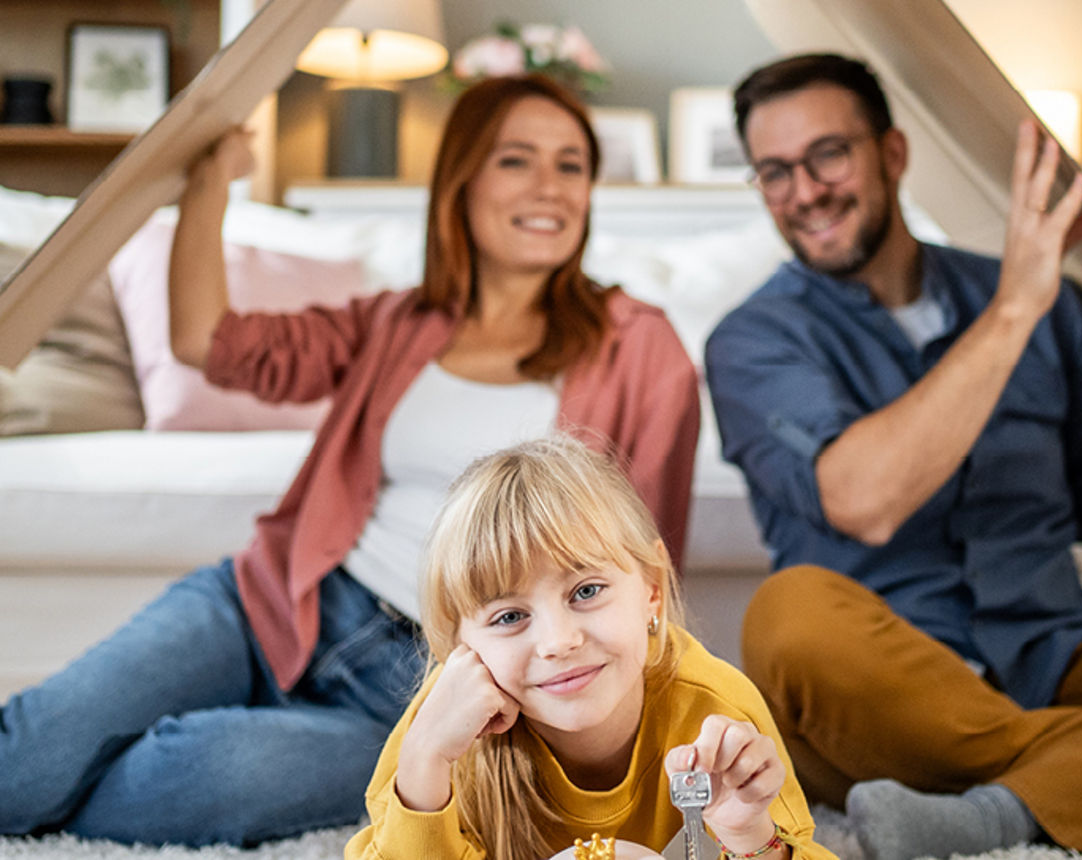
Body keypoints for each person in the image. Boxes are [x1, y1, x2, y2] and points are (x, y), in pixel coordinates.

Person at [0, 74, 700, 846]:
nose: (549, 186)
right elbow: (208, 343)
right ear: (461, 182)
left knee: (188, 777)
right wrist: (210, 183)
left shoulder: (640, 345)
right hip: (280, 599)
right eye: (517, 160)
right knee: (39, 751)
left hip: (417, 688)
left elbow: (647, 566)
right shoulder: (398, 321)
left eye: (570, 165)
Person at [705, 52, 1082, 860]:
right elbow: (863, 500)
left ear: (893, 153)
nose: (804, 192)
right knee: (790, 613)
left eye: (828, 154)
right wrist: (1013, 311)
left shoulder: (1044, 301)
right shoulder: (754, 339)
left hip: (1058, 665)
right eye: (774, 172)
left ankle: (1012, 805)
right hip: (877, 698)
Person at [345, 436, 836, 860]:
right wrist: (424, 769)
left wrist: (748, 833)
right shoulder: (441, 735)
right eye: (510, 617)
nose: (559, 642)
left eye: (586, 591)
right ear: (461, 649)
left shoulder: (716, 713)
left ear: (652, 589)